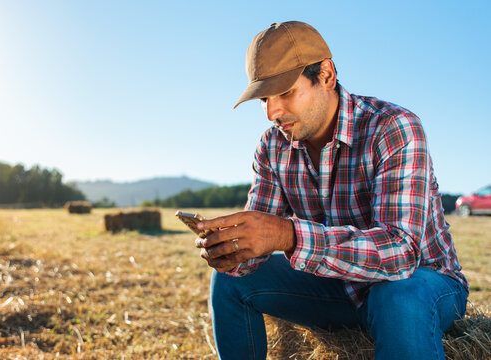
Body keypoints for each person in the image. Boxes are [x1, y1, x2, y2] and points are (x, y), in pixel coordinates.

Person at [194, 21, 469, 360]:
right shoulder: (272, 146)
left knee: (396, 297)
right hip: (337, 285)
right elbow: (259, 246)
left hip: (422, 284)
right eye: (264, 98)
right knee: (229, 283)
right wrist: (232, 251)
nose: (271, 112)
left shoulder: (393, 127)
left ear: (326, 75)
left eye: (284, 92)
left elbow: (402, 253)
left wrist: (288, 235)